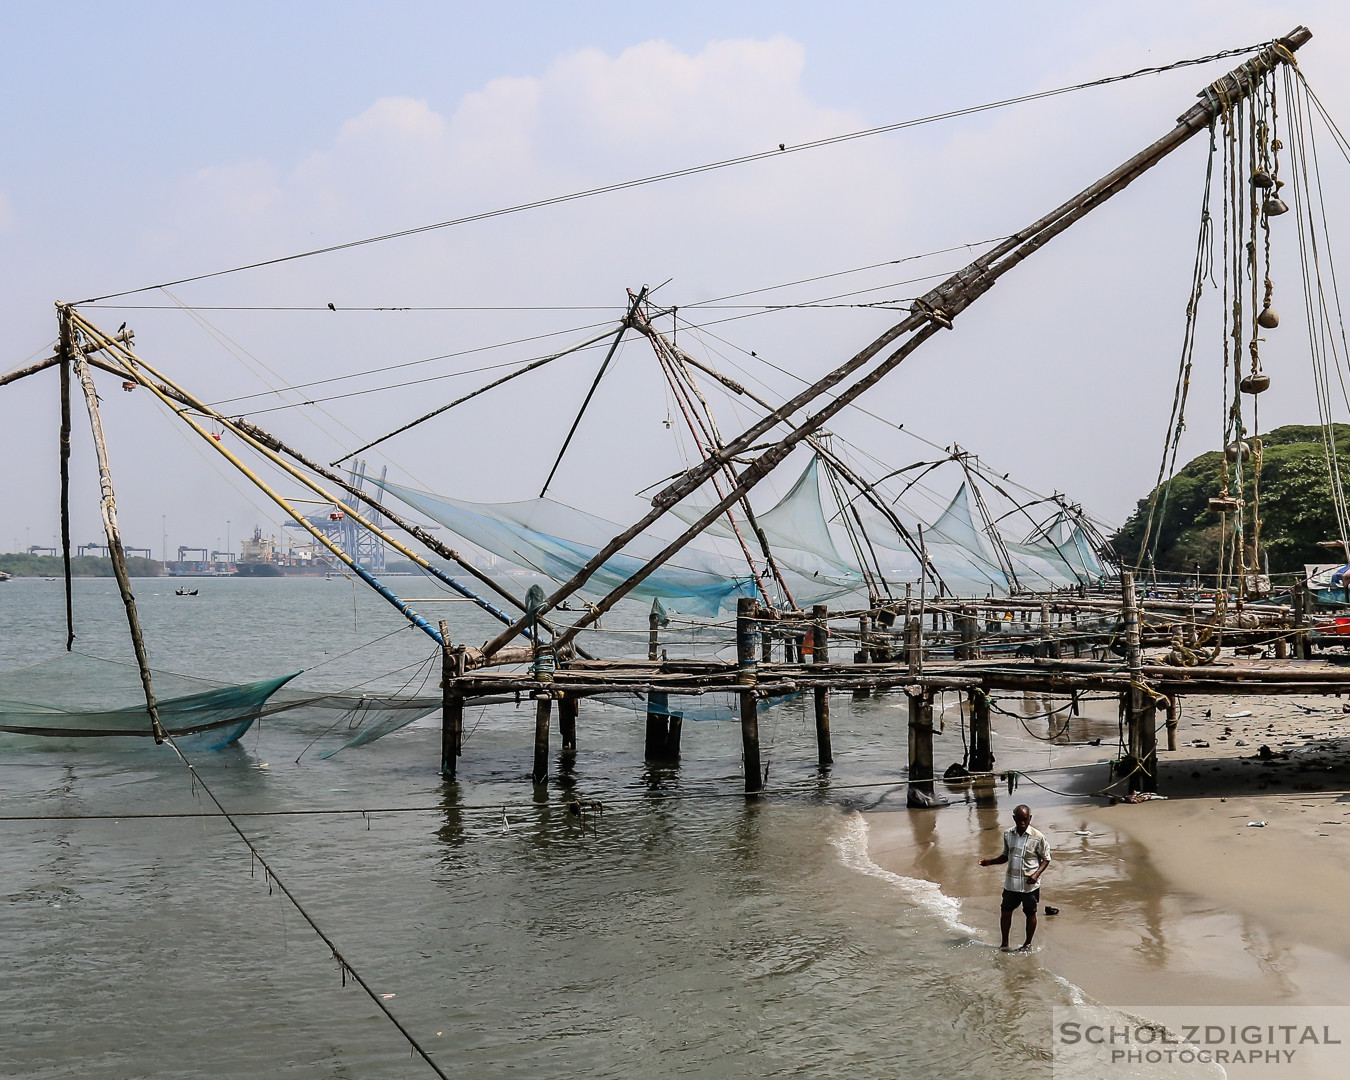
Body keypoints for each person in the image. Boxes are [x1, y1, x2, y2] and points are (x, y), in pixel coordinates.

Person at [978, 803, 1051, 951]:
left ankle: (1027, 943)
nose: (1022, 823)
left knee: (1030, 913)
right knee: (1005, 912)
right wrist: (989, 862)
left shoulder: (1038, 837)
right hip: (1011, 883)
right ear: (1014, 819)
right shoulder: (1008, 834)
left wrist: (1036, 874)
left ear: (1030, 818)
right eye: (1019, 819)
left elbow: (1046, 858)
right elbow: (1006, 856)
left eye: (1025, 819)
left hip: (1029, 885)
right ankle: (1005, 943)